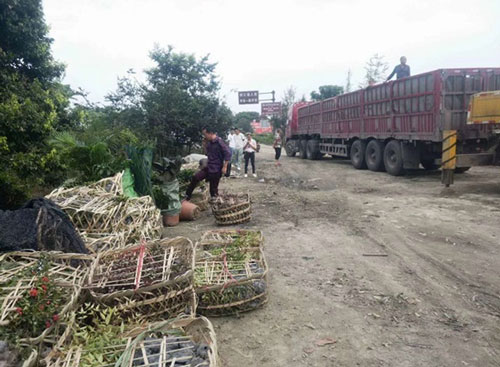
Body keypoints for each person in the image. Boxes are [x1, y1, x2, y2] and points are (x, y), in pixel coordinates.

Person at [185, 127, 231, 200]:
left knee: (213, 191)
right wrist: (204, 145)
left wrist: (225, 167)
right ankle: (187, 196)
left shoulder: (219, 142)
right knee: (196, 177)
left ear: (210, 133)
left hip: (216, 168)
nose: (204, 136)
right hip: (209, 166)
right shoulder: (209, 142)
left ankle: (216, 205)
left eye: (205, 134)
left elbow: (228, 154)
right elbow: (207, 153)